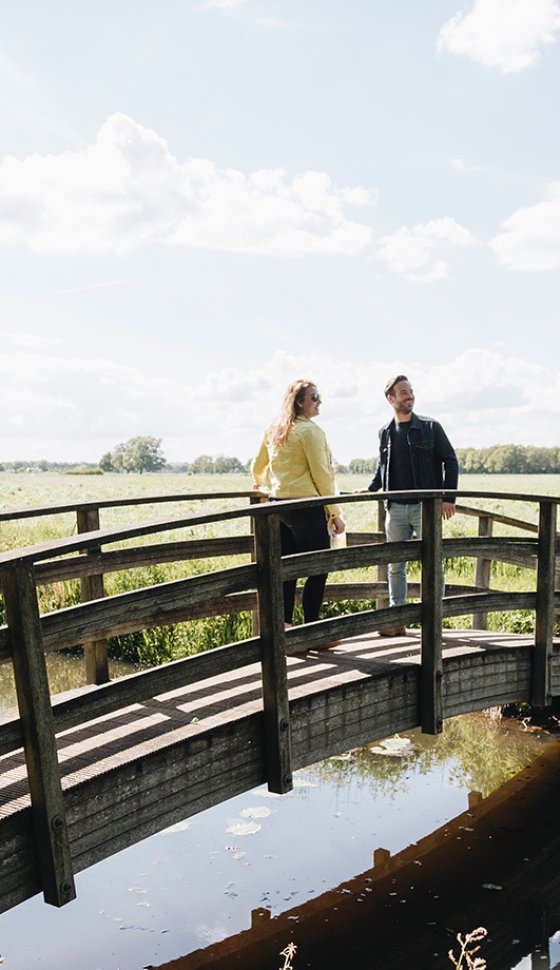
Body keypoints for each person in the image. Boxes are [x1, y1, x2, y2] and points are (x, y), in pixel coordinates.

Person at [366, 374, 459, 636]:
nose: (410, 396)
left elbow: (450, 461)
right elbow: (382, 466)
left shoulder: (431, 427)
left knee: (433, 563)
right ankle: (398, 619)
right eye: (403, 392)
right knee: (396, 566)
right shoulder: (384, 431)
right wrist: (372, 488)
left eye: (411, 391)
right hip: (394, 507)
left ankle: (433, 618)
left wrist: (448, 498)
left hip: (424, 507)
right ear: (391, 398)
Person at [251, 379, 345, 630]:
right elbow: (321, 475)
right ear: (300, 402)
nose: (319, 401)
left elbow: (257, 466)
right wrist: (335, 513)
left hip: (277, 507)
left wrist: (259, 483)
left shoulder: (274, 430)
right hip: (306, 509)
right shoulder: (311, 431)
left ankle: (286, 628)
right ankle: (311, 629)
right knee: (318, 567)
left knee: (287, 570)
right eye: (314, 397)